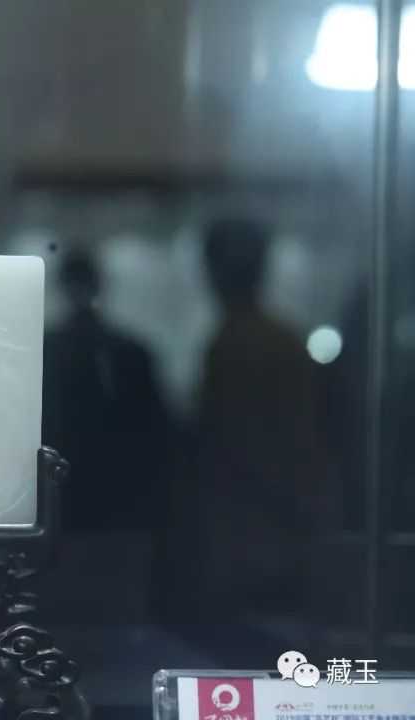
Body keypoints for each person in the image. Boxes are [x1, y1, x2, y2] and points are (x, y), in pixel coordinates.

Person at [196, 217, 325, 616]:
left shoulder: (241, 343)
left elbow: (241, 443)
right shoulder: (273, 340)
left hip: (259, 526)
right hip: (268, 523)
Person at [42, 247, 168, 534]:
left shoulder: (49, 350)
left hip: (75, 491)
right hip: (113, 491)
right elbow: (153, 430)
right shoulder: (127, 349)